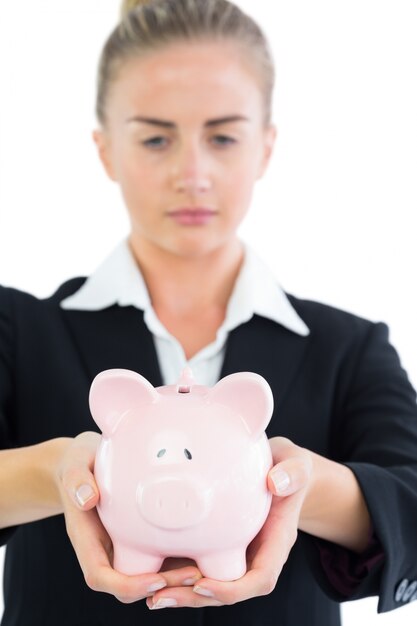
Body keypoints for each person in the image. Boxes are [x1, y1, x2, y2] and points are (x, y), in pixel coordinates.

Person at [1, 0, 417, 624]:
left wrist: (295, 485)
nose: (192, 174)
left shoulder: (348, 348)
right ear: (106, 150)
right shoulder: (19, 332)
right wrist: (58, 470)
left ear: (266, 147)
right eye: (156, 138)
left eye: (222, 136)